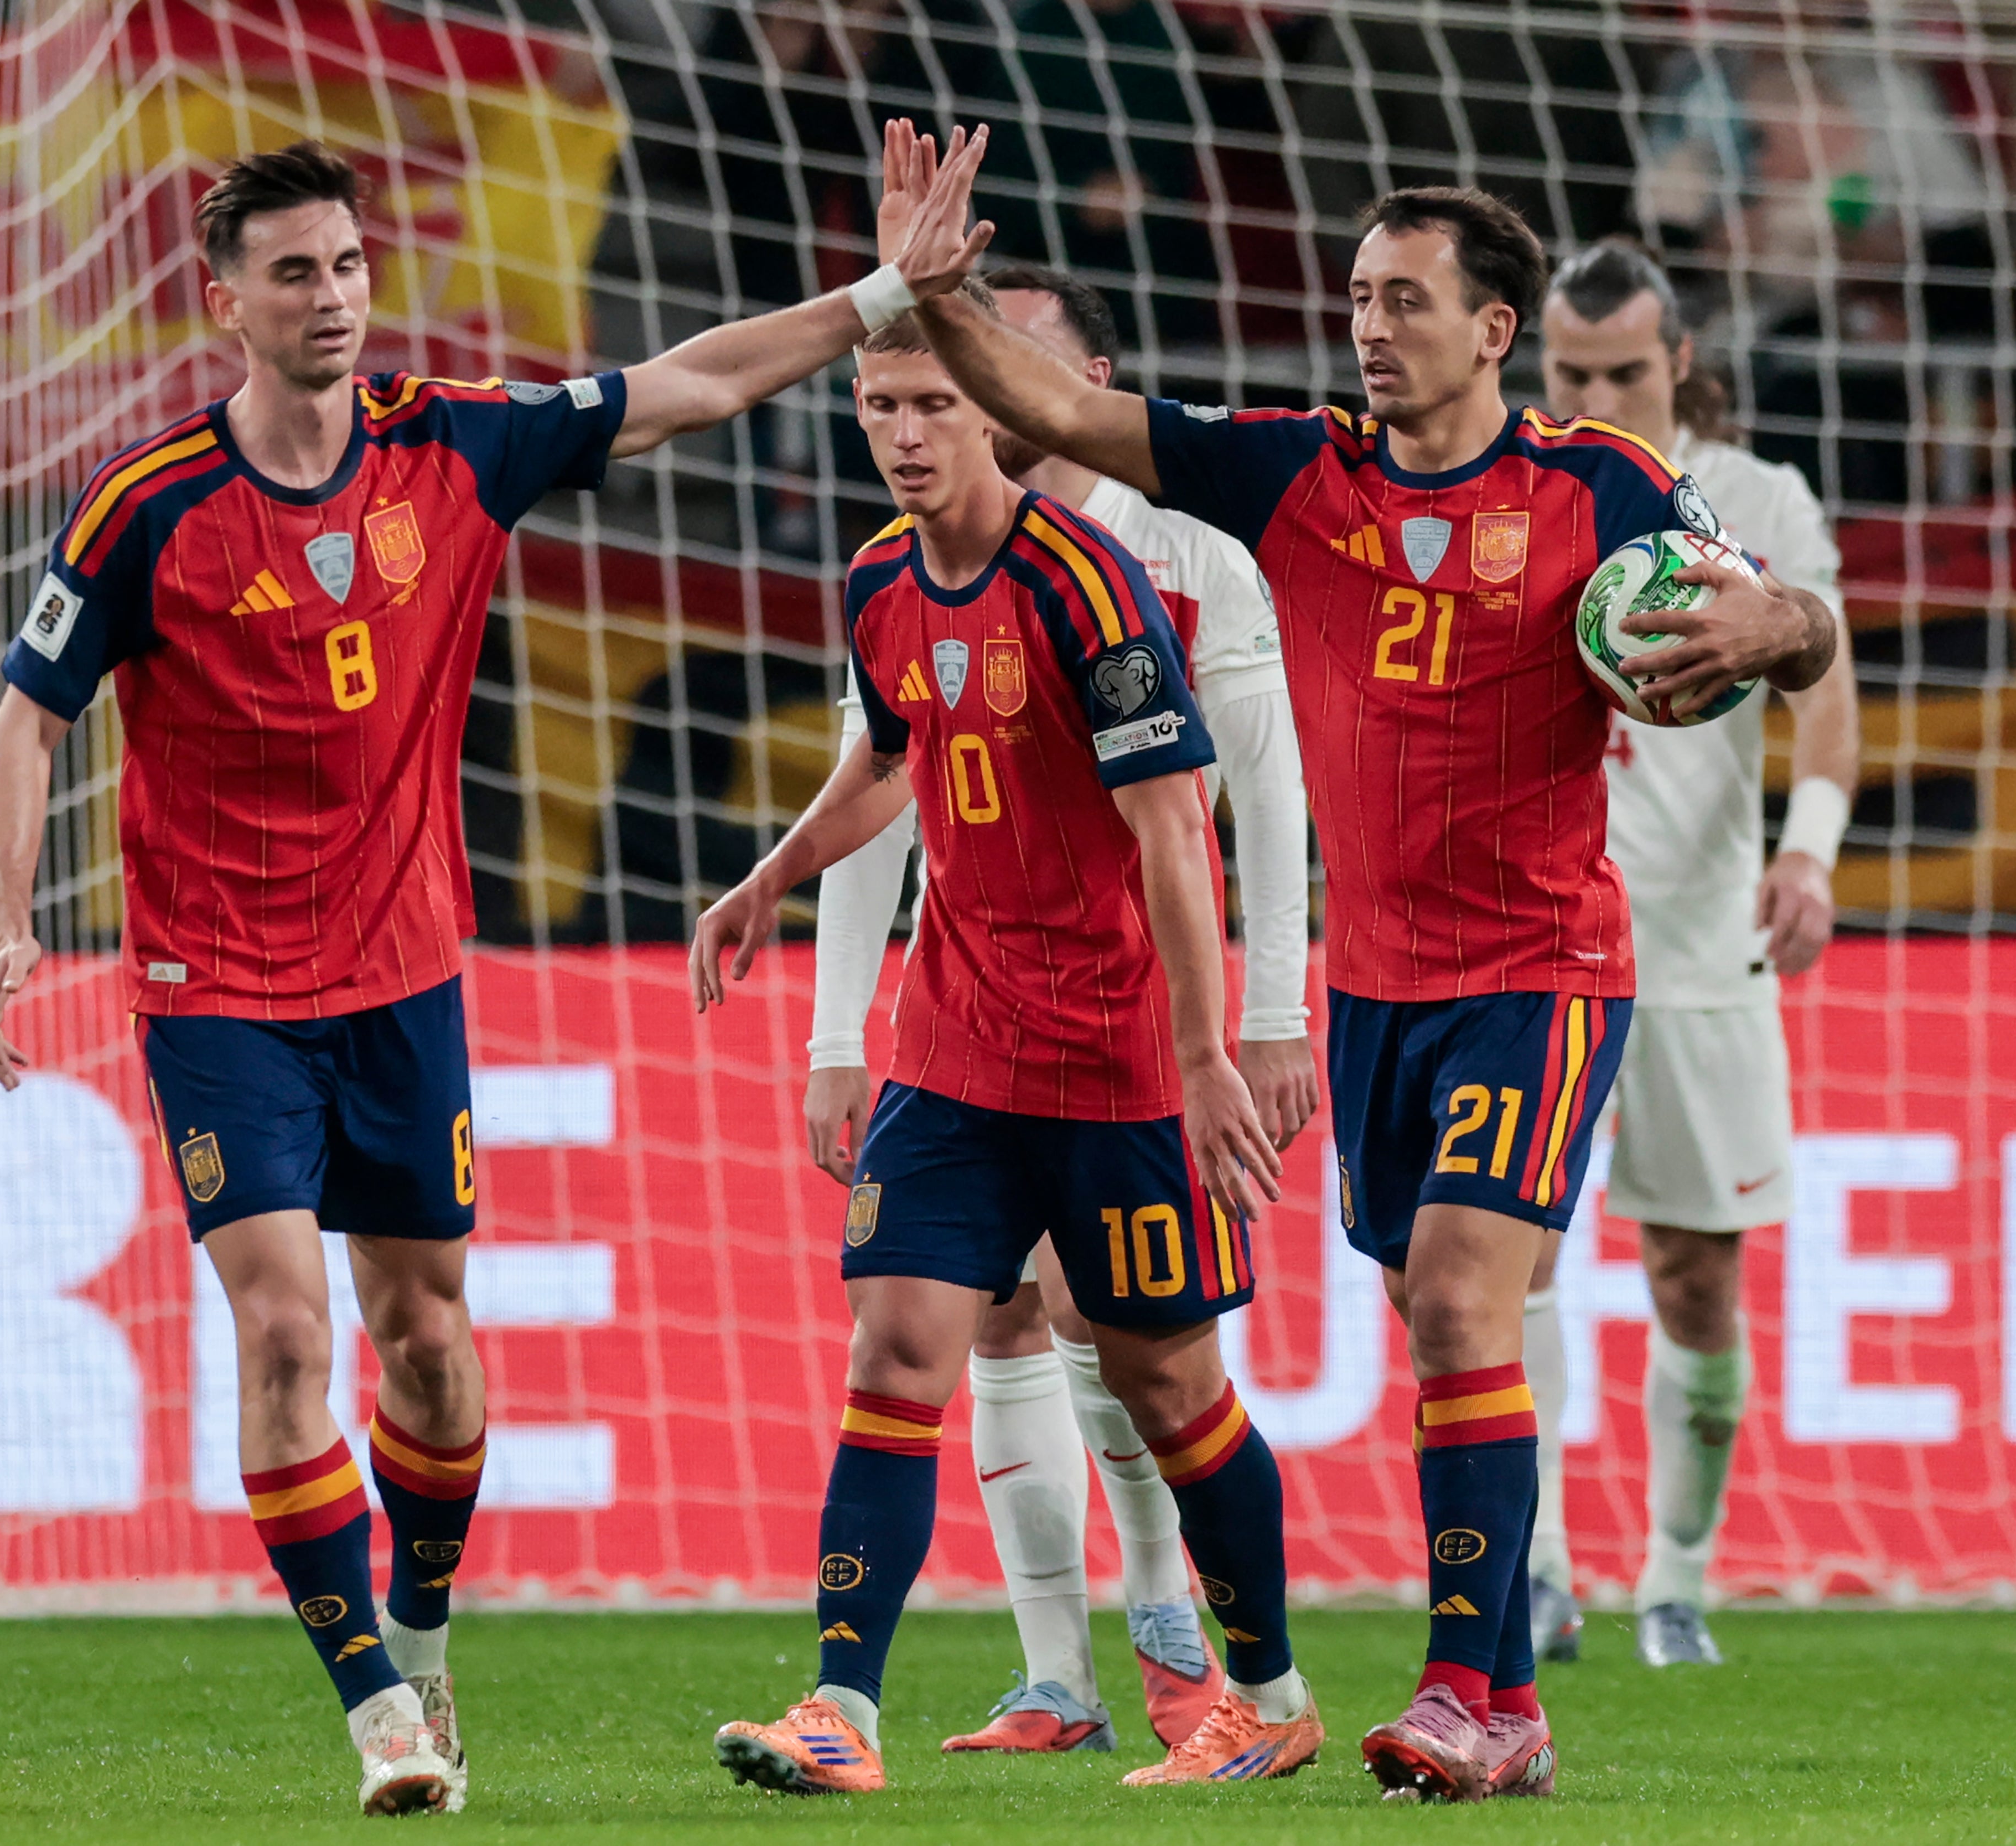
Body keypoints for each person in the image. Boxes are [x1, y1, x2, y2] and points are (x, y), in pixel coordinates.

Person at [0, 136, 990, 1818]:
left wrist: (885, 294)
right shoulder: (148, 511)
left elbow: (695, 379)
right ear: (222, 303)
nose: (335, 298)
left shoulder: (451, 448)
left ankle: (426, 1636)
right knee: (286, 1336)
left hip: (399, 984)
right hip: (214, 989)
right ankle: (377, 1706)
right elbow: (26, 720)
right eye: (295, 273)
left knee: (428, 1345)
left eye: (350, 265)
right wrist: (11, 915)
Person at [895, 137, 1839, 1802]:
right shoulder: (1290, 473)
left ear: (1495, 331)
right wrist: (940, 296)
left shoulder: (1602, 486)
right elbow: (1069, 417)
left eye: (1406, 302)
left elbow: (1782, 618)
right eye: (1357, 300)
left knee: (1474, 1300)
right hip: (1376, 986)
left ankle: (1467, 1688)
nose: (1371, 329)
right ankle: (1510, 1718)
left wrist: (1787, 629)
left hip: (1544, 969)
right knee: (1431, 1317)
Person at [693, 221, 1323, 1792]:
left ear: (1002, 412)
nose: (906, 435)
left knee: (1171, 1388)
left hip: (1111, 1061)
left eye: (933, 406)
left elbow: (1181, 828)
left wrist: (1206, 1050)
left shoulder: (1095, 587)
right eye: (881, 407)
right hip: (956, 1049)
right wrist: (769, 875)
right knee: (897, 1350)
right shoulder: (876, 582)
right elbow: (894, 757)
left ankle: (1274, 1692)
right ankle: (843, 1711)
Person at [1526, 240, 1860, 1669]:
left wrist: (1810, 849)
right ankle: (1534, 1572)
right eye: (1570, 374)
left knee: (1693, 1278)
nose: (1598, 394)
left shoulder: (1763, 499)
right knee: (1504, 1262)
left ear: (1679, 363)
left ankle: (1674, 1580)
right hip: (1529, 928)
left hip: (1697, 936)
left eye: (1623, 373)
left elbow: (1826, 681)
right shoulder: (1507, 485)